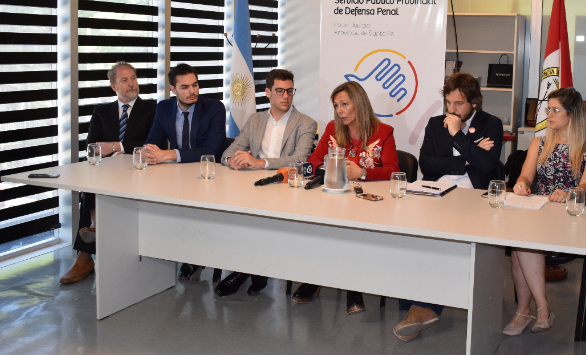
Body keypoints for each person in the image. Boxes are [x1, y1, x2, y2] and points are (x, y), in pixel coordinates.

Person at [393, 72, 504, 341]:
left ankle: (423, 307)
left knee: (442, 239)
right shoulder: (435, 123)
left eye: (458, 104)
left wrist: (457, 136)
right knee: (415, 233)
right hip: (437, 190)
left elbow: (487, 165)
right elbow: (426, 164)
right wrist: (466, 159)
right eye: (448, 103)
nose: (451, 110)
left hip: (473, 195)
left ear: (474, 103)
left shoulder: (492, 124)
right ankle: (417, 301)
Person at [291, 81, 399, 314]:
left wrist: (363, 173)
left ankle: (352, 286)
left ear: (359, 104)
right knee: (321, 226)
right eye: (336, 105)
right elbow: (313, 161)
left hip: (367, 203)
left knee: (351, 229)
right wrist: (333, 167)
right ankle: (316, 277)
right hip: (334, 197)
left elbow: (393, 171)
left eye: (344, 104)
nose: (339, 111)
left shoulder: (383, 132)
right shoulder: (332, 128)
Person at [507, 87, 586, 336]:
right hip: (538, 212)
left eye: (555, 110)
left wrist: (569, 192)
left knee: (521, 246)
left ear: (572, 114)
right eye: (548, 110)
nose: (549, 115)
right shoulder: (539, 143)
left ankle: (532, 310)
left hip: (568, 219)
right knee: (520, 246)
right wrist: (521, 184)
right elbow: (526, 176)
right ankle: (535, 309)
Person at [214, 69, 317, 297]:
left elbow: (300, 159)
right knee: (235, 216)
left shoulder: (306, 123)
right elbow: (229, 151)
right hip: (251, 187)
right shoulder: (255, 120)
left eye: (290, 91)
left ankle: (244, 272)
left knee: (258, 223)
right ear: (267, 92)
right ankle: (256, 272)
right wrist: (232, 161)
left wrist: (260, 163)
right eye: (279, 91)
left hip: (286, 190)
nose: (286, 96)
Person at [59, 62, 157, 284]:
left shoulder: (152, 109)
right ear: (113, 86)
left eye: (133, 78)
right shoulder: (101, 111)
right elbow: (92, 146)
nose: (131, 83)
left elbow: (150, 143)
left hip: (139, 171)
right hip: (108, 172)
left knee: (98, 182)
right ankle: (88, 247)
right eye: (124, 80)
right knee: (91, 180)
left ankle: (88, 248)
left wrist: (115, 146)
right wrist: (107, 150)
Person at [144, 63, 227, 280]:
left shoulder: (214, 108)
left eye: (195, 85)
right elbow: (153, 141)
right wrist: (148, 152)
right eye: (185, 87)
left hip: (210, 175)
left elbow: (211, 150)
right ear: (173, 89)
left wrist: (168, 154)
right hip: (178, 175)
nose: (192, 91)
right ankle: (163, 251)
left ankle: (194, 257)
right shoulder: (164, 108)